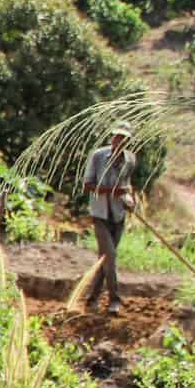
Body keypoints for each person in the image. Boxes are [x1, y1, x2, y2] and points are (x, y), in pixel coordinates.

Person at [81, 122, 137, 315]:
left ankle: (91, 299)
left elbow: (127, 186)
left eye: (123, 138)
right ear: (112, 137)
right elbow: (87, 185)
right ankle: (114, 300)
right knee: (110, 257)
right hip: (100, 214)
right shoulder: (98, 156)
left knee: (105, 260)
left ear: (128, 141)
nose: (118, 141)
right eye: (116, 137)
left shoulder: (130, 160)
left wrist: (129, 200)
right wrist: (112, 191)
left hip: (118, 214)